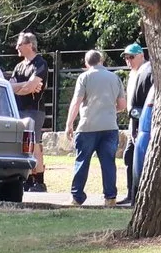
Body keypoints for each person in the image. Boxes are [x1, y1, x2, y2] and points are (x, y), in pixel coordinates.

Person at [64, 48, 123, 207]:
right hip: (110, 126)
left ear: (86, 63)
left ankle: (77, 197)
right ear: (102, 61)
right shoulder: (115, 77)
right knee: (108, 163)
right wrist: (108, 109)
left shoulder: (84, 77)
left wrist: (69, 124)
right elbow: (122, 105)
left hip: (87, 126)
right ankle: (110, 197)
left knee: (82, 161)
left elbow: (76, 101)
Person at [6, 31, 48, 192]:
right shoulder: (19, 66)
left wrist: (19, 87)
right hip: (19, 110)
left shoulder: (40, 63)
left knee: (34, 143)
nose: (17, 47)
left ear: (30, 45)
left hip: (34, 110)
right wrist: (24, 87)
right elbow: (10, 87)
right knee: (22, 145)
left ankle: (39, 181)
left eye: (20, 44)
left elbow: (31, 87)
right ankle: (28, 179)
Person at [122, 42, 153, 204]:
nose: (128, 60)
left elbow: (138, 104)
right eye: (126, 57)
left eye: (131, 57)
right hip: (135, 122)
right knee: (129, 158)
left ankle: (135, 195)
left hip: (142, 123)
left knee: (133, 157)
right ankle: (130, 193)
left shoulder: (145, 72)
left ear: (141, 55)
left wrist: (135, 128)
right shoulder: (134, 73)